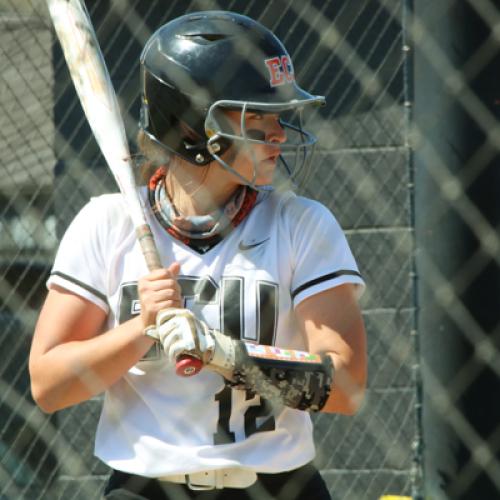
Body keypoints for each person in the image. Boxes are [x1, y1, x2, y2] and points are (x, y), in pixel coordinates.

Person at [29, 10, 367, 500]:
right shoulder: (108, 222)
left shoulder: (301, 224)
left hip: (276, 488)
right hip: (144, 489)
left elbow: (348, 384)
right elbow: (48, 385)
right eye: (257, 115)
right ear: (193, 127)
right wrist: (141, 327)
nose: (277, 133)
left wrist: (224, 354)